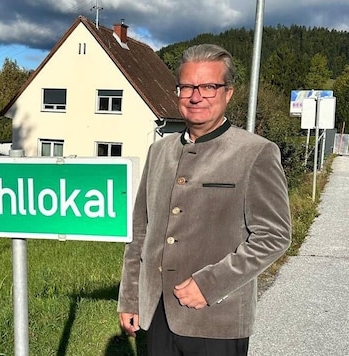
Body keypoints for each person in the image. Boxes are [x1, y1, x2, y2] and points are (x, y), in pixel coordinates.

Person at [117, 44, 292, 355]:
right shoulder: (159, 151)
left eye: (209, 87)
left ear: (228, 93)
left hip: (216, 320)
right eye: (187, 87)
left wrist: (210, 285)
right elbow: (140, 231)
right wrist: (130, 297)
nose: (196, 96)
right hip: (157, 313)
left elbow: (273, 236)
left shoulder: (255, 153)